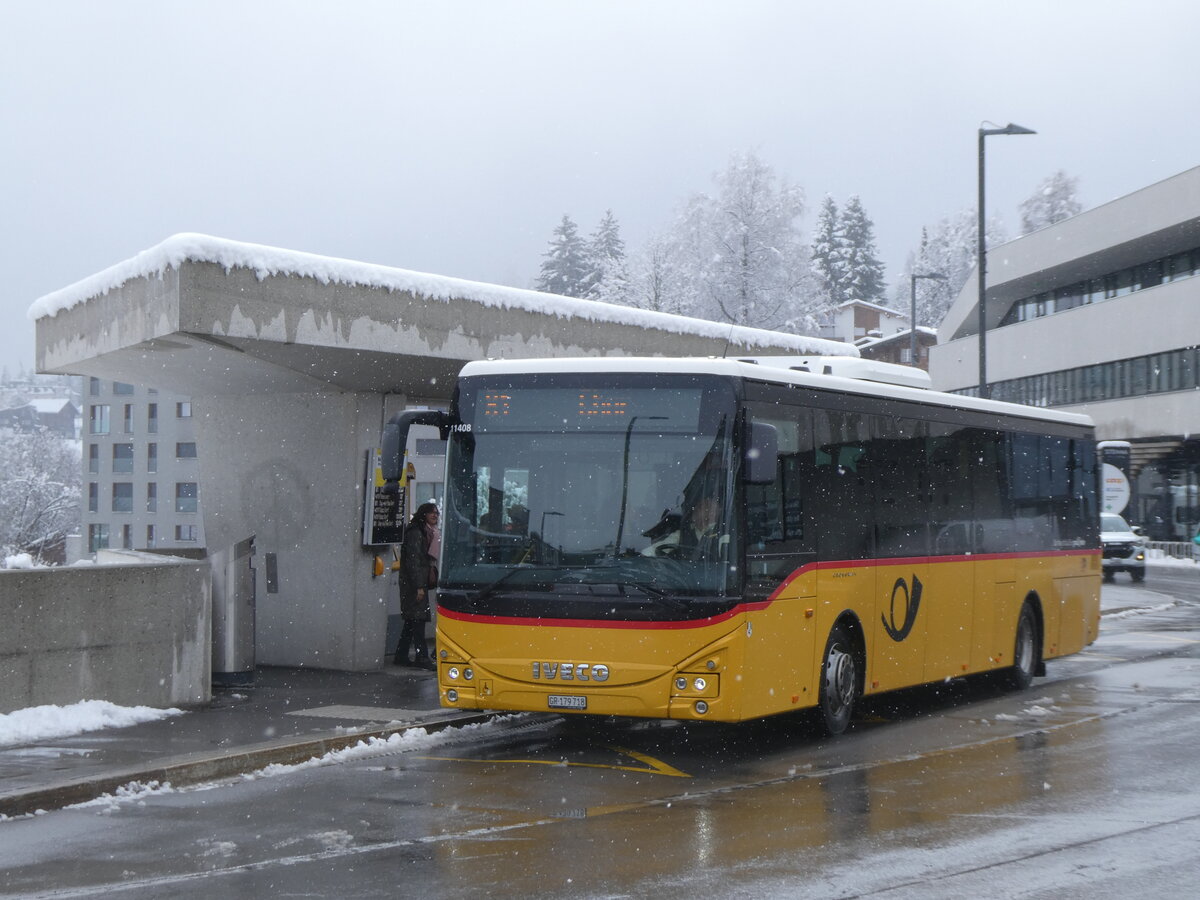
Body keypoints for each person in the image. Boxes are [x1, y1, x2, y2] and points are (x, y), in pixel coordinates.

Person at [393, 502, 439, 670]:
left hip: (417, 581)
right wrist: (419, 586)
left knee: (412, 620)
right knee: (417, 620)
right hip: (414, 584)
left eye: (436, 513)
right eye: (431, 513)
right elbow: (413, 561)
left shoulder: (426, 532)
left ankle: (401, 655)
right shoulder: (416, 532)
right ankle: (422, 657)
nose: (435, 516)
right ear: (423, 514)